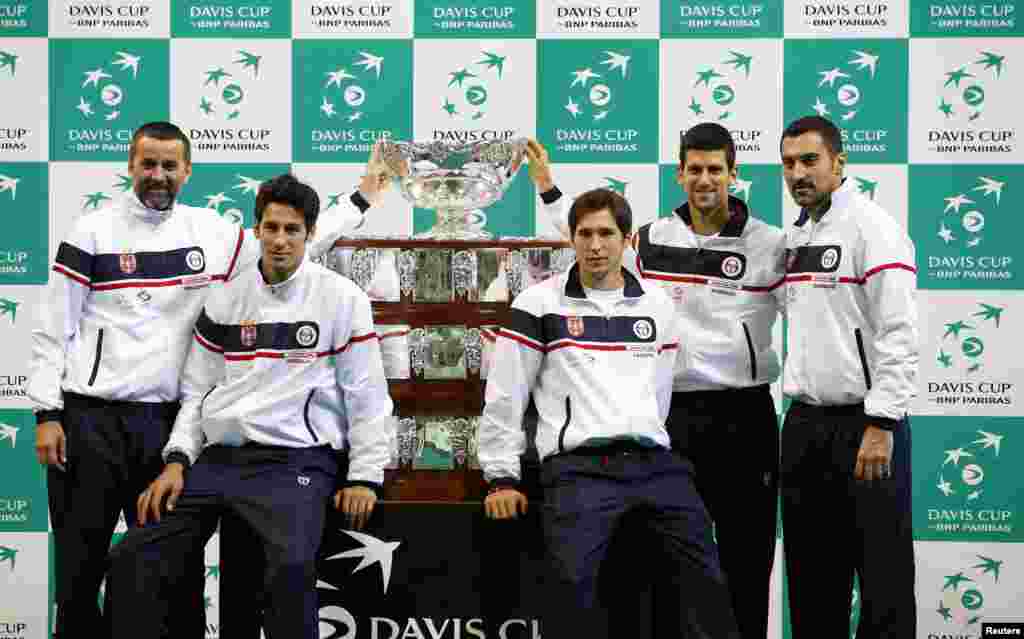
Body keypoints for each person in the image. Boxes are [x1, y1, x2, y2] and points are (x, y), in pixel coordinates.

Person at [27, 121, 389, 637]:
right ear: (130, 166)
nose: (158, 175)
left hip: (167, 424)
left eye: (169, 166)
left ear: (187, 171)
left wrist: (362, 198)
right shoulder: (91, 231)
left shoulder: (215, 234)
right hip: (91, 422)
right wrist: (47, 411)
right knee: (81, 571)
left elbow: (292, 241)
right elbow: (51, 326)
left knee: (172, 577)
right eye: (148, 164)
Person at [105, 173, 394, 639]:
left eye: (292, 230)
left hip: (296, 461)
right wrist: (177, 461)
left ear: (310, 233)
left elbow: (366, 396)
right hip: (220, 463)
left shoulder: (343, 299)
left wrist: (365, 476)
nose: (280, 240)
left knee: (292, 569)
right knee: (133, 556)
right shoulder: (224, 299)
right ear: (257, 230)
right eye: (271, 228)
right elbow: (197, 392)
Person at [526, 123, 783, 638]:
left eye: (715, 169)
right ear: (680, 174)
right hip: (672, 419)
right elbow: (591, 239)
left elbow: (817, 306)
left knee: (746, 557)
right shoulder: (653, 237)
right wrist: (549, 188)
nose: (704, 179)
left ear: (735, 173)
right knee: (669, 566)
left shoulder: (770, 244)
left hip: (745, 415)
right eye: (694, 170)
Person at [478, 188, 740, 639]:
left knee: (705, 585)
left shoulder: (658, 305)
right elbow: (506, 394)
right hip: (579, 470)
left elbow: (660, 391)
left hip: (655, 466)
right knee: (571, 591)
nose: (595, 245)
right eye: (584, 234)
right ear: (572, 239)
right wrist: (501, 475)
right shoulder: (538, 304)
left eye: (606, 234)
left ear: (626, 240)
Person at [778, 115, 918, 638]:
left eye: (810, 160)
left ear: (839, 163)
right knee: (813, 586)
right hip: (805, 427)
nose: (798, 173)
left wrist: (881, 421)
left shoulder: (873, 227)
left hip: (867, 429)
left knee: (882, 585)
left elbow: (900, 332)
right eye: (789, 163)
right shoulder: (795, 234)